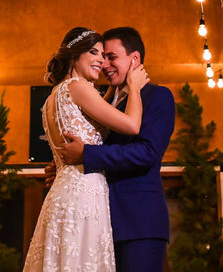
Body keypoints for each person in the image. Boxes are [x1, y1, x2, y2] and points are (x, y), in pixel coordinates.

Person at [22, 27, 149, 272]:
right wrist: (133, 88)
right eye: (94, 52)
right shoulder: (78, 87)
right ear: (74, 55)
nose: (101, 60)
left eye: (104, 54)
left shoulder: (54, 96)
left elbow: (98, 114)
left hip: (63, 192)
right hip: (83, 194)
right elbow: (132, 125)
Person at [56, 27, 176, 272]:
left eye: (111, 57)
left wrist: (86, 155)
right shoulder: (106, 99)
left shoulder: (158, 96)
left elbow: (147, 153)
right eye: (101, 57)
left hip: (138, 223)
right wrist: (68, 166)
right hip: (100, 221)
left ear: (134, 59)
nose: (104, 64)